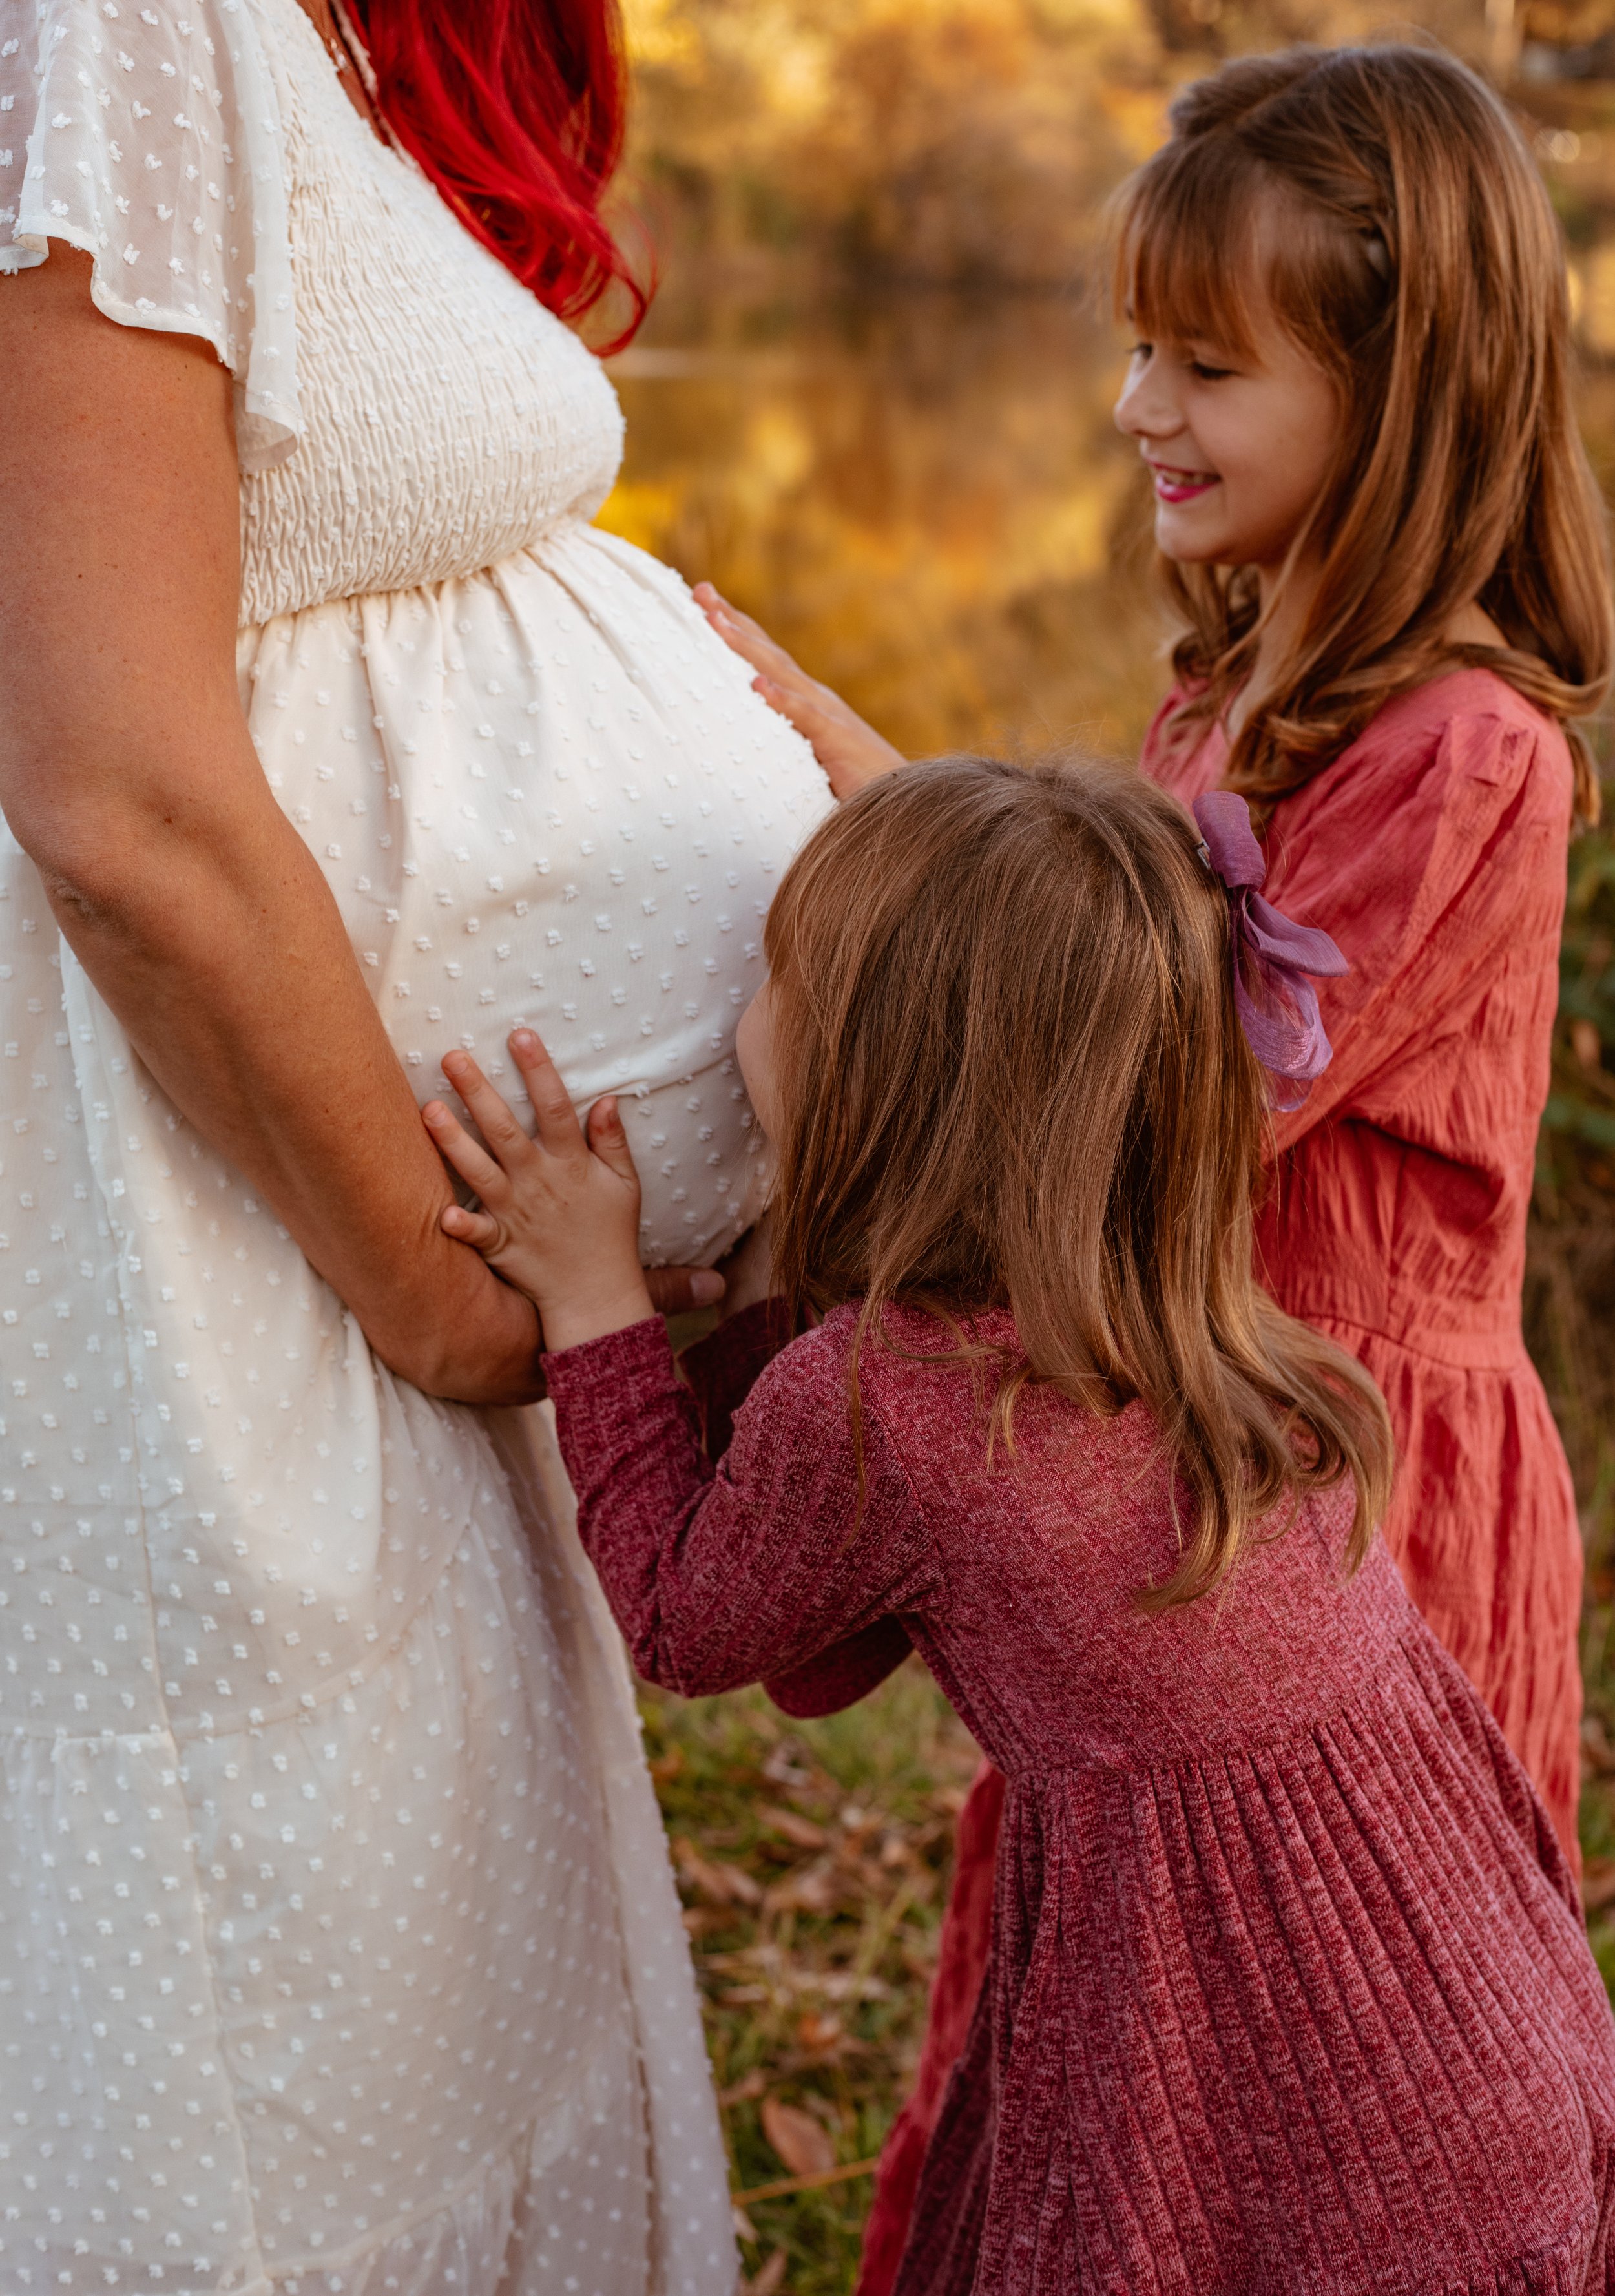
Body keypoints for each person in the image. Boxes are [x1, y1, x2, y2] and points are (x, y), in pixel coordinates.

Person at [698, 44, 1613, 2287]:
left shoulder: (1466, 756)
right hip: (1166, 1463)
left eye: (1206, 364)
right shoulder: (1224, 697)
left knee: (1345, 2106)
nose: (1137, 407)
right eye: (1136, 349)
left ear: (1402, 392)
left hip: (1351, 1496)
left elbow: (1137, 1086)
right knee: (1123, 2048)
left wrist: (869, 796)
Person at [0, 0, 834, 2285]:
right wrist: (431, 1288)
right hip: (234, 1271)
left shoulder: (304, 40)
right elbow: (119, 801)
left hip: (367, 1255)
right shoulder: (116, 29)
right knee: (281, 2076)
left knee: (434, 2022)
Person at [419, 753, 1615, 2294]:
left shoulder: (892, 1396)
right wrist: (762, 1298)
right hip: (1477, 2051)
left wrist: (593, 1303)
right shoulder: (1194, 1332)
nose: (737, 1009)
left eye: (778, 977)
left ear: (879, 1071)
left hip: (1277, 2142)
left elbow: (680, 1616)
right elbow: (825, 1645)